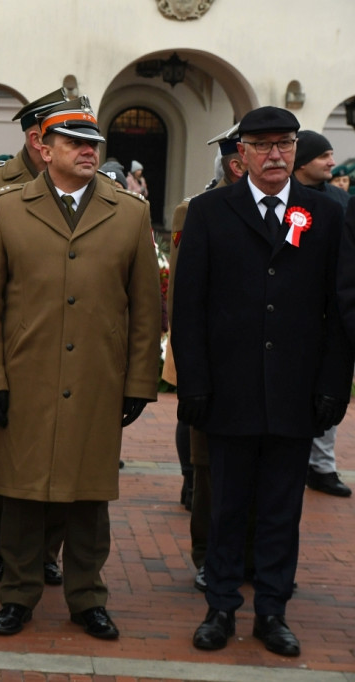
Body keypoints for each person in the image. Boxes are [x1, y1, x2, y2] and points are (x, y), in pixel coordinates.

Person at [0, 96, 162, 640]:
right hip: (25, 376)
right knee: (22, 492)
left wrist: (139, 383)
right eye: (74, 143)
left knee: (88, 496)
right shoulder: (7, 208)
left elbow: (146, 309)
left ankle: (87, 597)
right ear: (43, 147)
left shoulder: (129, 212)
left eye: (92, 144)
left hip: (98, 380)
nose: (86, 151)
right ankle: (18, 595)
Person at [175, 106, 352, 657]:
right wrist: (194, 384)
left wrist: (332, 385)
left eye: (285, 143)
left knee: (281, 509)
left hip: (296, 393)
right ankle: (221, 606)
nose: (276, 154)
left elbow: (341, 306)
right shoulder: (209, 212)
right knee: (225, 505)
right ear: (241, 154)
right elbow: (189, 308)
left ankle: (272, 610)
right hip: (228, 390)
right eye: (264, 145)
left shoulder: (326, 214)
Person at [0, 87, 68, 588]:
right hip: (5, 349)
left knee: (61, 450)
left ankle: (48, 551)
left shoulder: (83, 187)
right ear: (35, 138)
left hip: (62, 345)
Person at [164, 123, 246, 594]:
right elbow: (182, 292)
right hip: (213, 359)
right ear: (236, 162)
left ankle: (250, 555)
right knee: (209, 470)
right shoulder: (194, 211)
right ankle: (206, 554)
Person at [291, 130, 352, 499]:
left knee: (329, 391)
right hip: (292, 314)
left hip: (331, 313)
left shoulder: (341, 201)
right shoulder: (284, 200)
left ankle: (322, 465)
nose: (332, 162)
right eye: (324, 156)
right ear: (303, 163)